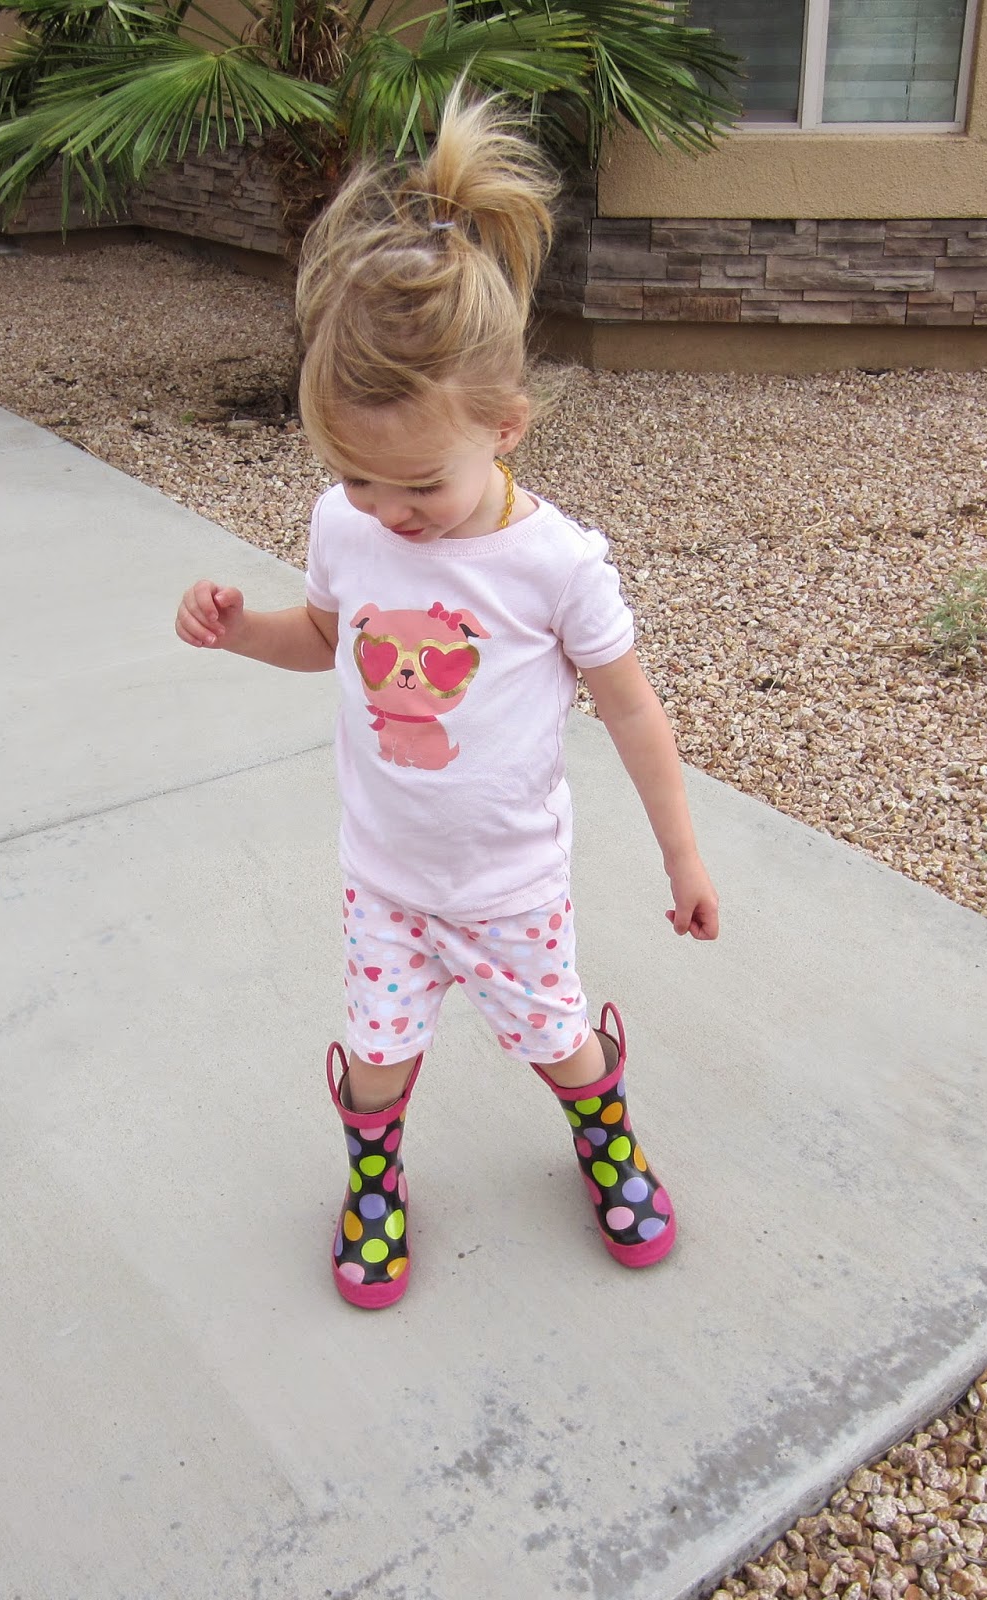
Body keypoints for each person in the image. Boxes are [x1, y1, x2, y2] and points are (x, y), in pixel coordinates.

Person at [175, 93, 719, 1309]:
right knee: (377, 1055)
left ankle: (604, 1134)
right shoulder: (347, 524)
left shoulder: (554, 566)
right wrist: (241, 630)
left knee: (556, 1039)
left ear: (505, 426)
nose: (385, 510)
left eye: (417, 481)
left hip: (509, 884)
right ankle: (374, 1175)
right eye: (354, 476)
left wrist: (681, 856)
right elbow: (328, 638)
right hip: (386, 878)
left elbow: (633, 711)